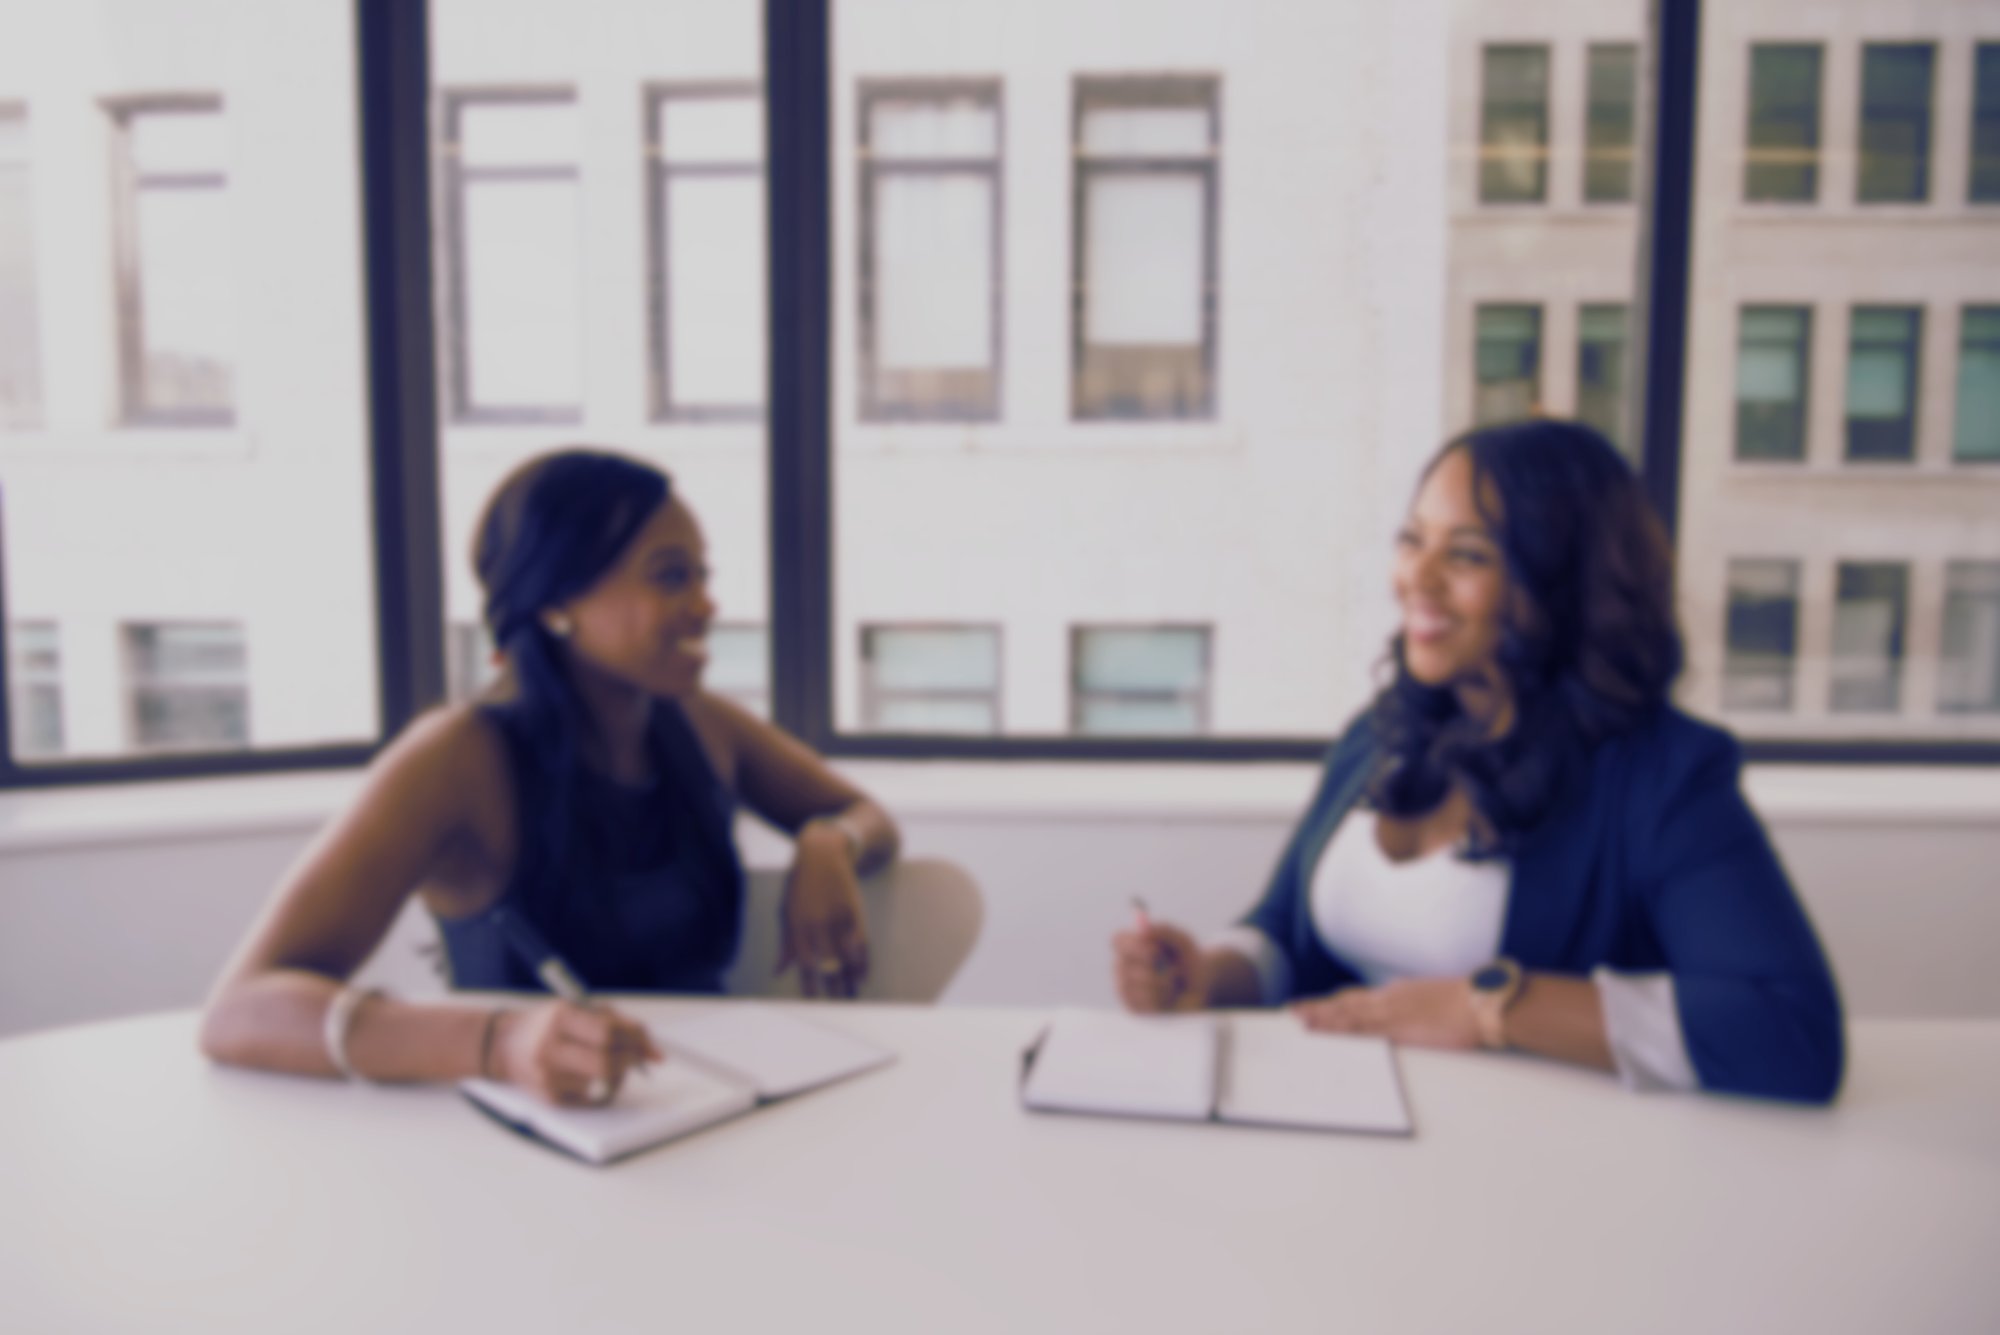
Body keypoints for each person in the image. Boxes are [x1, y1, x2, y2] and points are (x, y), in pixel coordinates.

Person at [1112, 420, 1844, 1104]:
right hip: (1344, 1130)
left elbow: (1791, 1029)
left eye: (1466, 554)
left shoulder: (1662, 775)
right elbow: (1284, 931)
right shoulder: (1382, 733)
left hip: (1521, 1172)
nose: (1416, 579)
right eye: (1411, 540)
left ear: (1563, 585)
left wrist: (1487, 1004)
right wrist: (1209, 973)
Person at [201, 448, 899, 1105]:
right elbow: (239, 1009)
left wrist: (827, 840)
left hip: (708, 1109)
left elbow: (866, 814)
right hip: (530, 1143)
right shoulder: (455, 756)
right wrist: (501, 1042)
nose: (707, 605)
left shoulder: (697, 719)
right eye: (670, 574)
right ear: (557, 602)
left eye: (702, 574)